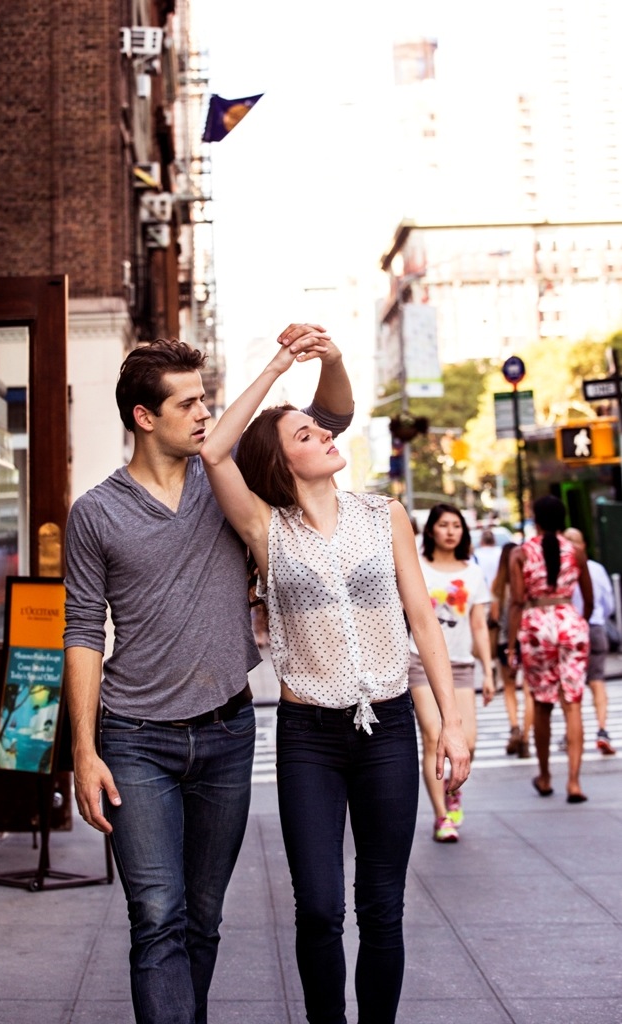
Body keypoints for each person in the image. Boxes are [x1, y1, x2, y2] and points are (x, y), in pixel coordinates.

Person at [62, 323, 354, 1024]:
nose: (202, 414)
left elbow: (332, 418)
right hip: (135, 739)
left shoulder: (226, 481)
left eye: (205, 400)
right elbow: (81, 632)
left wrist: (322, 360)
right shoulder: (95, 513)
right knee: (156, 916)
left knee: (201, 917)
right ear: (143, 417)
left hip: (227, 733)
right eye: (187, 403)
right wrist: (84, 751)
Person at [200, 331, 470, 1024]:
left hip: (387, 731)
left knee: (382, 906)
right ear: (280, 458)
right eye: (304, 432)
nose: (324, 433)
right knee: (319, 907)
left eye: (318, 427)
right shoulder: (266, 528)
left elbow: (421, 621)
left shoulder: (386, 516)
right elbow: (212, 449)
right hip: (309, 739)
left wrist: (449, 727)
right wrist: (278, 367)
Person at [408, 504, 495, 842]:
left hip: (460, 664)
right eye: (443, 525)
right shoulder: (417, 567)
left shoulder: (473, 572)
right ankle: (442, 817)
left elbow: (479, 625)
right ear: (431, 530)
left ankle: (452, 789)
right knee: (433, 735)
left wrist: (488, 671)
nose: (450, 531)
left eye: (456, 526)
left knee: (466, 741)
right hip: (419, 660)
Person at [508, 495, 593, 803]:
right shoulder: (578, 551)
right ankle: (574, 782)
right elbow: (589, 598)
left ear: (536, 519)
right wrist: (575, 622)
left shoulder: (520, 553)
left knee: (542, 705)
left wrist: (509, 644)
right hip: (569, 622)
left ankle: (544, 776)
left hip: (536, 627)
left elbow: (517, 601)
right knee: (573, 704)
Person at [563, 527, 616, 755]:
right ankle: (602, 730)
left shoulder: (560, 569)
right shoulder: (596, 569)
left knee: (570, 686)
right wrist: (596, 619)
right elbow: (609, 604)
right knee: (597, 681)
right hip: (594, 627)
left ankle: (571, 733)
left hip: (569, 631)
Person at [490, 541, 533, 757]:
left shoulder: (497, 586)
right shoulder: (526, 583)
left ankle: (514, 727)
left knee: (509, 687)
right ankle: (525, 737)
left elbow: (494, 618)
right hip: (526, 641)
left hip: (504, 643)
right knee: (528, 690)